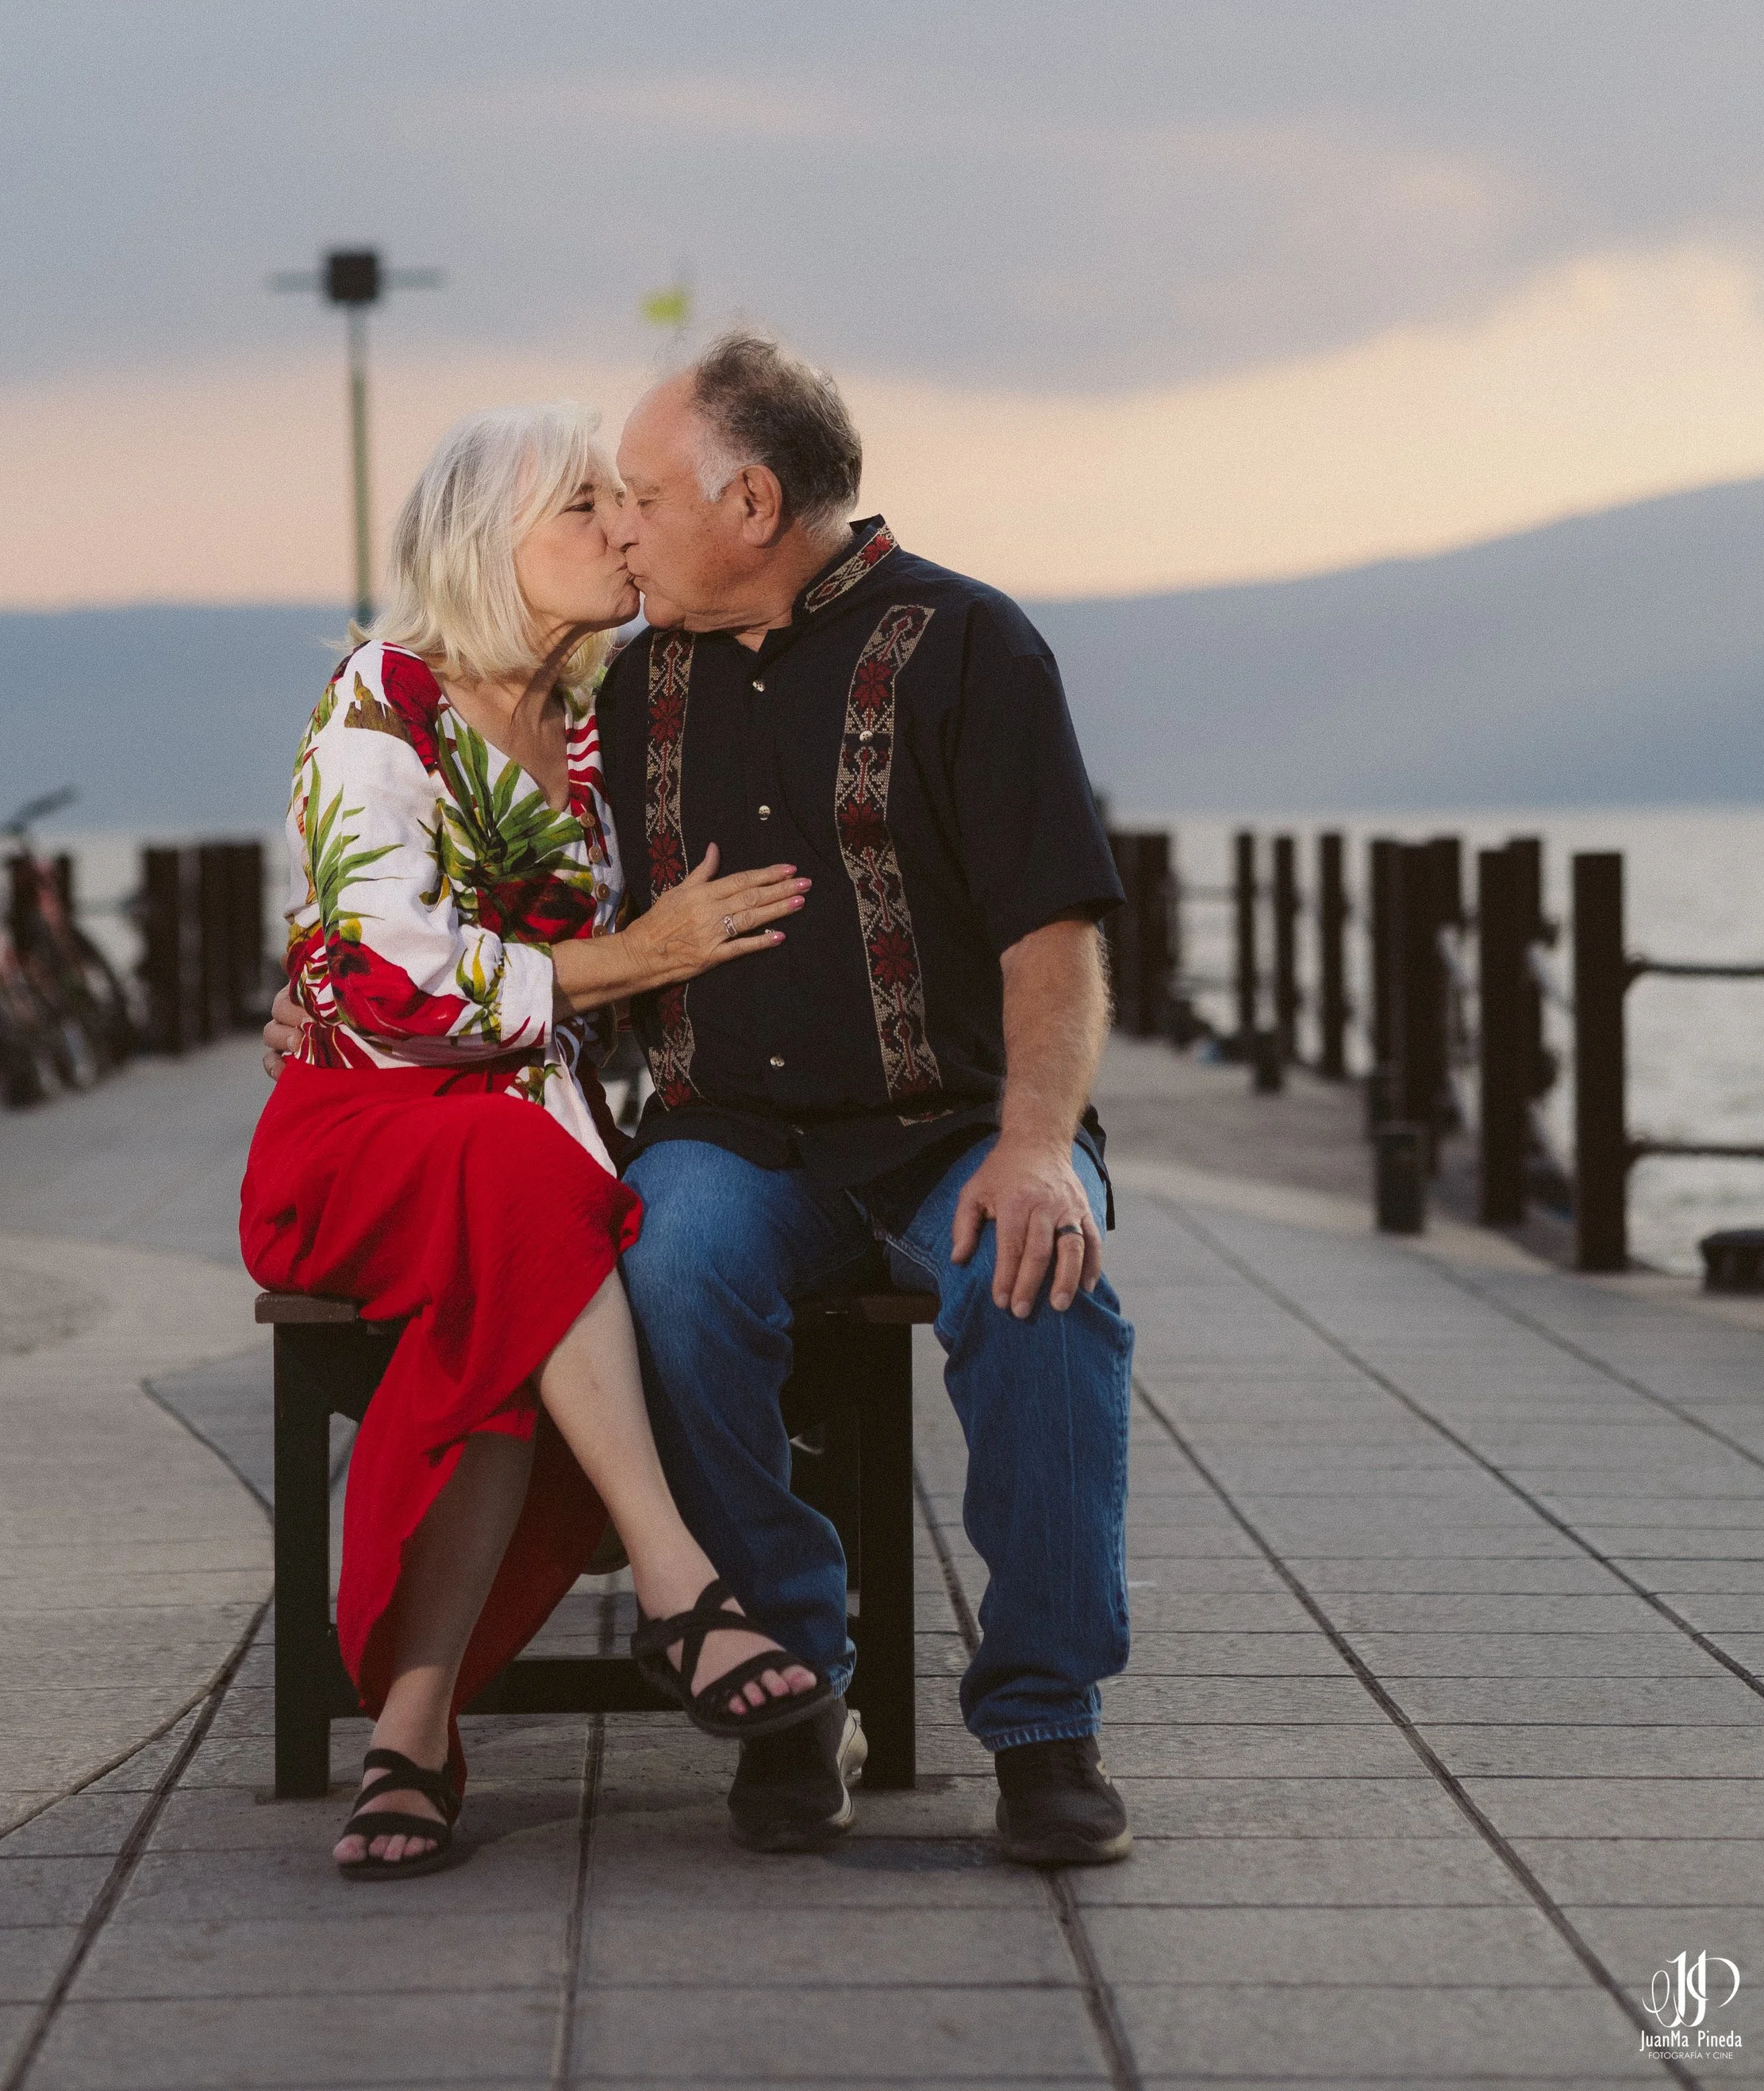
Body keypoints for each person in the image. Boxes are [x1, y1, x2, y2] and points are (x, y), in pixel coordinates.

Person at [269, 336, 1132, 1866]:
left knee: (1042, 1277)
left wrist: (1041, 1145)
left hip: (955, 1121)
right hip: (727, 1129)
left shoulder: (970, 646)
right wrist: (331, 991)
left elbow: (1054, 930)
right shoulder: (632, 672)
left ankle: (1046, 1724)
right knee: (668, 1265)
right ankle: (792, 1688)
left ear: (750, 499)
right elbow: (438, 881)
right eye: (597, 504)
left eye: (643, 497)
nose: (623, 529)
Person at [241, 401, 832, 1877]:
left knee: (541, 1230)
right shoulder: (381, 698)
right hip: (358, 1129)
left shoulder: (590, 724)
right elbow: (388, 978)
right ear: (485, 544)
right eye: (585, 507)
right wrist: (637, 954)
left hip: (519, 1137)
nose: (621, 529)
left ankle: (412, 1730)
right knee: (536, 1190)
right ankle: (678, 1574)